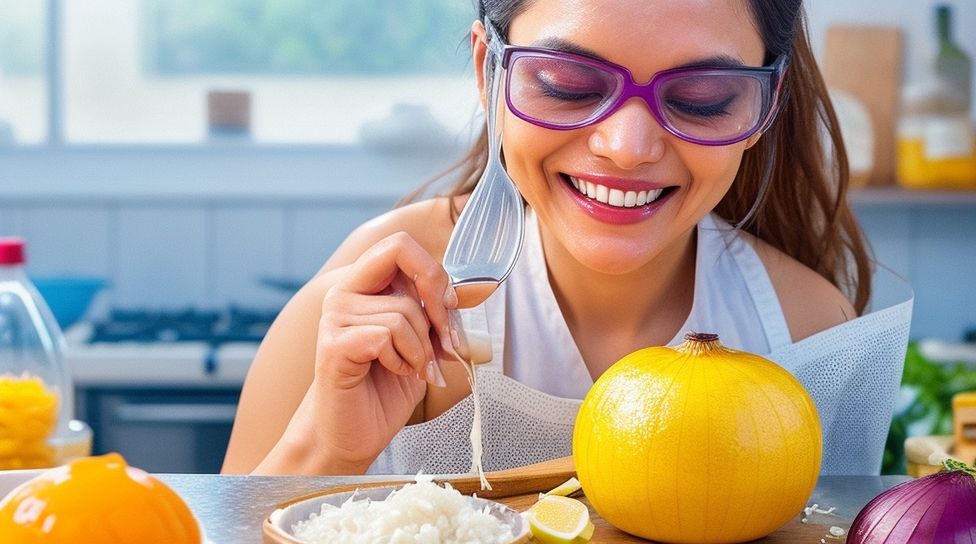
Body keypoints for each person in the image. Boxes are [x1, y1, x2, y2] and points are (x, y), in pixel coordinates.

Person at [221, 0, 912, 477]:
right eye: (569, 84)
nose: (627, 147)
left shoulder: (806, 332)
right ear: (488, 70)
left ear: (767, 102)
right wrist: (324, 450)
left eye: (701, 98)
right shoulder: (383, 284)